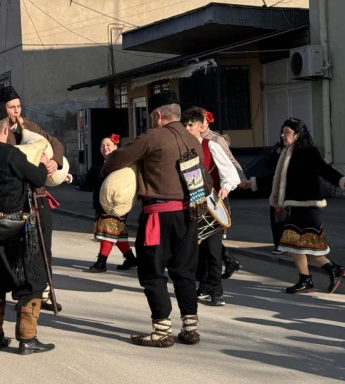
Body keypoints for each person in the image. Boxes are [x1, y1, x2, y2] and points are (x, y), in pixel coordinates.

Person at [102, 91, 207, 347]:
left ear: (158, 115)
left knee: (153, 271)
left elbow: (119, 158)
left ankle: (161, 330)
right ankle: (190, 328)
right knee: (184, 271)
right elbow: (205, 180)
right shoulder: (193, 140)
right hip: (190, 213)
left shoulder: (153, 136)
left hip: (158, 216)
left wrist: (108, 165)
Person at [0, 103, 55, 354]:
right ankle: (27, 339)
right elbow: (38, 179)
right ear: (6, 128)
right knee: (31, 280)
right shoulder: (11, 154)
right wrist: (43, 162)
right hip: (17, 227)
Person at [248, 118, 345, 294]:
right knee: (305, 246)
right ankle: (331, 269)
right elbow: (279, 179)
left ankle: (307, 280)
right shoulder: (286, 153)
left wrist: (343, 181)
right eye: (282, 132)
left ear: (298, 135)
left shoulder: (308, 152)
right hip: (296, 206)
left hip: (308, 206)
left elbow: (325, 170)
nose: (283, 135)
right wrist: (254, 182)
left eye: (287, 133)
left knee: (293, 244)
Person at [0, 85, 63, 312]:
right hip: (14, 200)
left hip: (38, 195)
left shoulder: (31, 127)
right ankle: (25, 294)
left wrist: (55, 162)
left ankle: (44, 293)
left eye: (18, 106)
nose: (16, 111)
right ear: (2, 109)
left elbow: (54, 143)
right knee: (21, 249)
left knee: (45, 246)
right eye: (11, 107)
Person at [182, 108, 240, 307]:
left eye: (191, 125)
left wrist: (225, 188)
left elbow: (230, 172)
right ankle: (205, 285)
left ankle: (217, 288)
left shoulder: (211, 145)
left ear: (201, 127)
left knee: (213, 250)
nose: (187, 128)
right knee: (198, 251)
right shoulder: (180, 149)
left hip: (212, 204)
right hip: (189, 205)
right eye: (185, 125)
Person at [199, 110, 247, 278]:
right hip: (198, 196)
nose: (199, 124)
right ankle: (227, 262)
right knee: (205, 237)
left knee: (211, 236)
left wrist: (241, 179)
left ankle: (212, 281)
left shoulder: (215, 140)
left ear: (207, 122)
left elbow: (230, 161)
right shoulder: (189, 139)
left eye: (202, 120)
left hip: (215, 193)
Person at [84, 133, 137, 273]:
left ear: (115, 146)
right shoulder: (97, 166)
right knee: (118, 233)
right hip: (101, 204)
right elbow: (86, 181)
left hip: (117, 205)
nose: (105, 148)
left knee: (108, 231)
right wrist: (70, 177)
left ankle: (101, 262)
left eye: (108, 145)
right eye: (102, 146)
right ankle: (131, 259)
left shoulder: (123, 166)